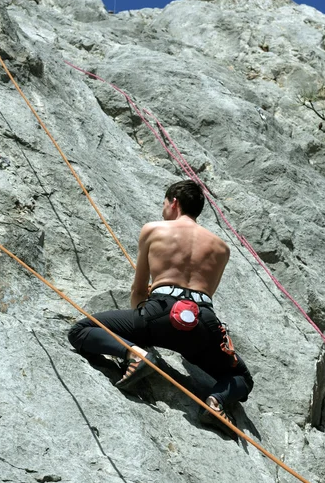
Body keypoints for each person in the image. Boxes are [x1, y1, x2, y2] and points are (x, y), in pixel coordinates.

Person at [68, 180, 253, 434]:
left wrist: (141, 332)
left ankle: (134, 354)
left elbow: (139, 290)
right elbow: (206, 292)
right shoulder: (222, 248)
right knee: (242, 378)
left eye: (164, 203)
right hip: (203, 322)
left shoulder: (154, 230)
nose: (163, 209)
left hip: (159, 312)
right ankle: (216, 401)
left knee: (81, 330)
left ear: (174, 202)